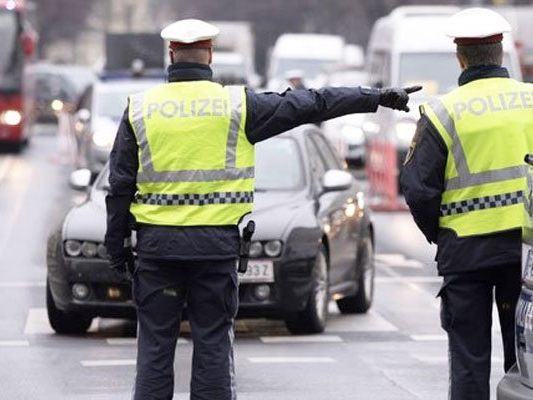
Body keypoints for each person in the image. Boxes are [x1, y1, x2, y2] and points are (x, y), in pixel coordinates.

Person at [105, 18, 420, 400]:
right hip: (216, 253)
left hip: (157, 253)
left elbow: (120, 185)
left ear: (171, 54)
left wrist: (117, 245)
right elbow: (311, 103)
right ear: (210, 54)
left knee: (155, 349)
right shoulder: (237, 106)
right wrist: (375, 97)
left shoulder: (140, 109)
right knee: (213, 347)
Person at [400, 8, 533, 400]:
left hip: (467, 253)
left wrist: (441, 233)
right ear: (502, 52)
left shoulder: (443, 111)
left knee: (469, 362)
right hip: (526, 255)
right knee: (524, 367)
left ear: (459, 58)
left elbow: (418, 188)